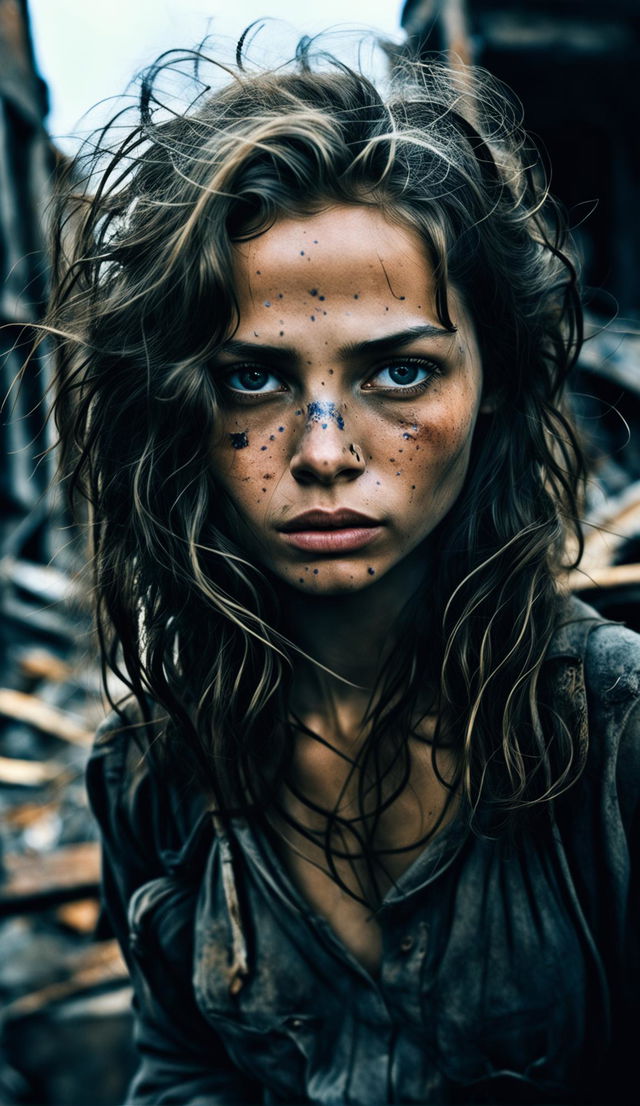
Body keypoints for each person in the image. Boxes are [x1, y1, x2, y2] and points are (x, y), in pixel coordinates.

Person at [46, 32, 639, 1106]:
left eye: (399, 370)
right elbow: (181, 1069)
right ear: (179, 407)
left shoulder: (613, 738)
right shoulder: (156, 772)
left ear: (492, 383)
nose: (323, 452)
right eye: (252, 381)